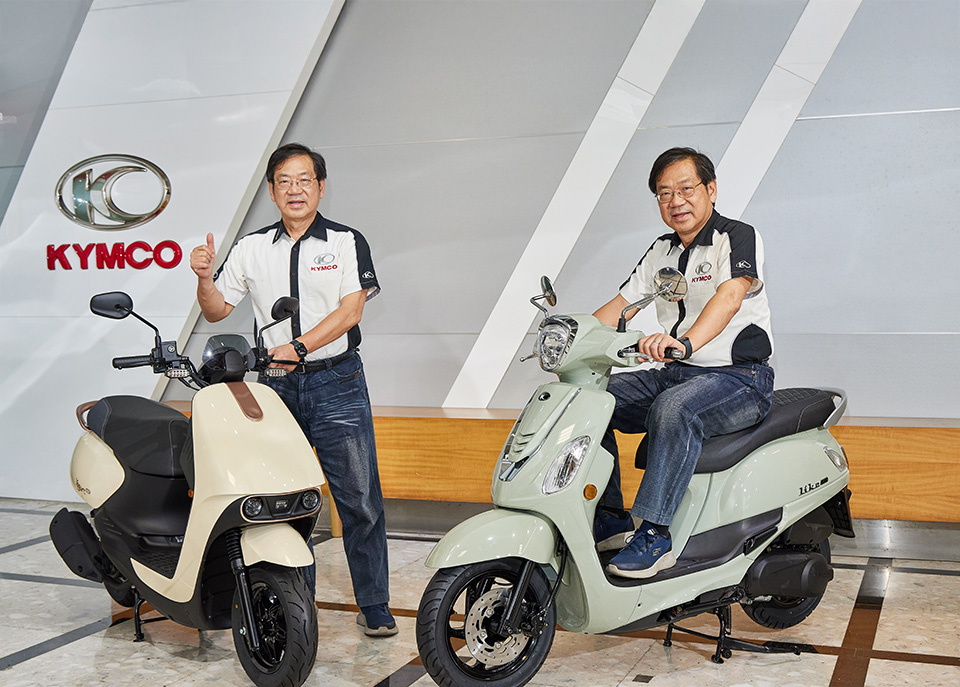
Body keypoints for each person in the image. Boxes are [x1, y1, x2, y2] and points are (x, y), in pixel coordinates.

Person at [189, 142, 397, 636]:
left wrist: (299, 347)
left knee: (360, 500)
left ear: (321, 187)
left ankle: (374, 604)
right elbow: (216, 310)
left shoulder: (345, 241)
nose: (295, 190)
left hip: (337, 381)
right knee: (282, 500)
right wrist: (203, 278)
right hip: (275, 388)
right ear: (271, 191)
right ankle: (294, 605)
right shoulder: (251, 247)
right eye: (284, 181)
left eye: (304, 180)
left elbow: (351, 310)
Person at [592, 147, 774, 579]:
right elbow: (618, 307)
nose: (676, 201)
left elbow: (729, 297)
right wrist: (570, 336)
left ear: (711, 189)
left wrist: (686, 343)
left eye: (686, 189)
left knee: (673, 409)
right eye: (664, 193)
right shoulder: (661, 250)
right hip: (677, 373)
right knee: (589, 400)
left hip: (740, 379)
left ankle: (655, 535)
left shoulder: (736, 237)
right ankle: (611, 521)